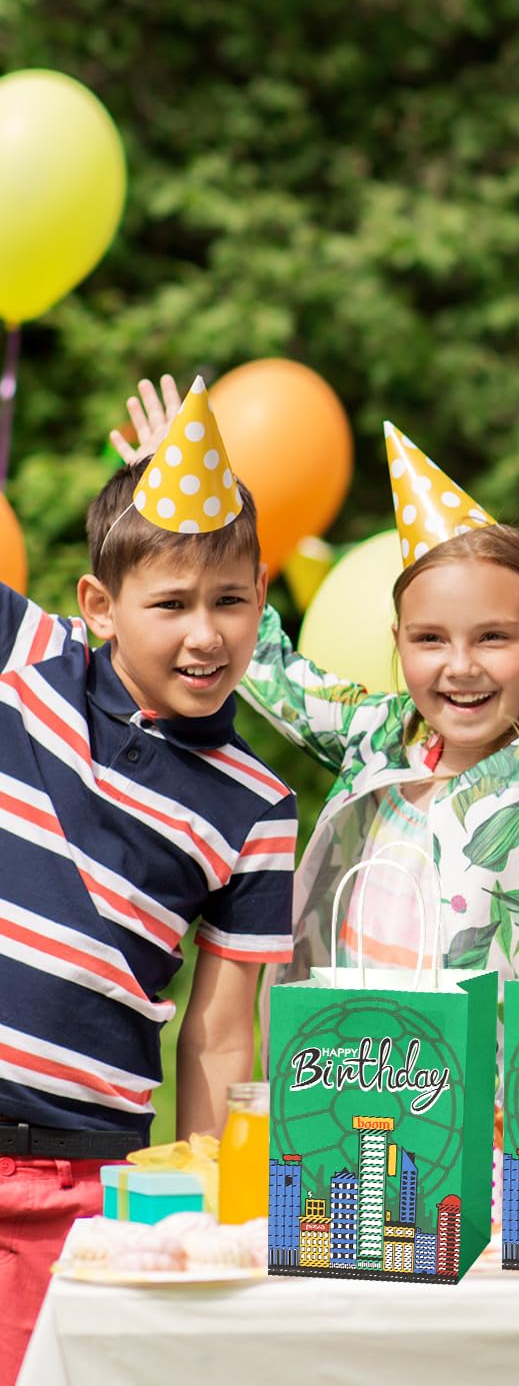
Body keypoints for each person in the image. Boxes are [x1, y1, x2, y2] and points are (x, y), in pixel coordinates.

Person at [113, 381, 519, 987]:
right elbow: (266, 664)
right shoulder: (379, 732)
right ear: (399, 640)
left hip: (491, 1080)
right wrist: (182, 515)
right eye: (431, 639)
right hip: (348, 1068)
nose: (461, 666)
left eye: (493, 638)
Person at [0, 382, 295, 1386]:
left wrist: (207, 1197)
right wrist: (156, 491)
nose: (204, 633)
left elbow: (218, 1031)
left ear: (263, 594)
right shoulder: (30, 661)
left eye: (230, 599)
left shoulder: (257, 804)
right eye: (168, 603)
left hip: (91, 1176)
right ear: (99, 606)